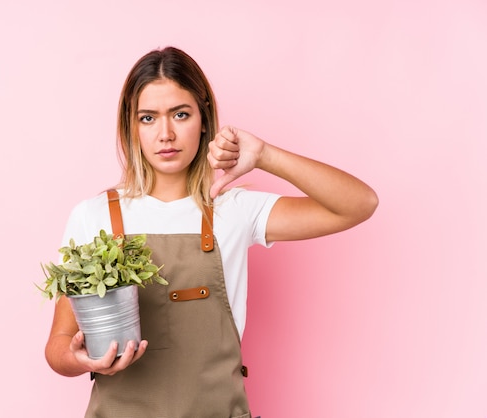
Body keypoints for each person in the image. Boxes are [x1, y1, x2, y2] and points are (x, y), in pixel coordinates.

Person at [45, 46, 378, 417]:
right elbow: (58, 346)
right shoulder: (93, 216)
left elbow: (359, 204)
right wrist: (82, 361)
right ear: (131, 126)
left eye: (180, 114)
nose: (166, 134)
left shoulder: (233, 210)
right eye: (148, 118)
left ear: (204, 120)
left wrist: (265, 154)